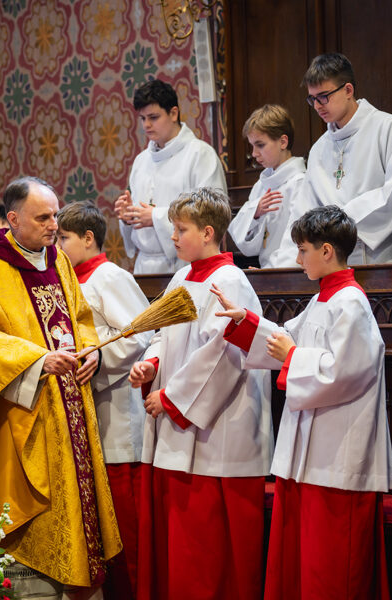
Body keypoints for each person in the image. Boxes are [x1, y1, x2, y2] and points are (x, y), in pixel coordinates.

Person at [0, 177, 122, 599]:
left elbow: (80, 317)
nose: (54, 225)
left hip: (68, 404)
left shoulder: (58, 260)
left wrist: (92, 350)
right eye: (43, 217)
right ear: (13, 219)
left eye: (55, 215)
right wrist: (37, 360)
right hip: (19, 406)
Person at [214, 205, 392, 599]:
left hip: (338, 456)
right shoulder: (323, 300)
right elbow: (284, 339)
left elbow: (345, 372)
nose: (297, 260)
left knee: (333, 568)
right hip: (311, 456)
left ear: (326, 251)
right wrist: (245, 322)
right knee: (305, 565)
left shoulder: (351, 302)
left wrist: (293, 356)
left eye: (302, 250)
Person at [128, 188, 273, 600]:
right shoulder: (181, 277)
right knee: (184, 550)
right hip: (180, 422)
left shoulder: (229, 281)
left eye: (181, 229)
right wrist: (151, 364)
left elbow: (223, 352)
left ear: (208, 232)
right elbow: (163, 334)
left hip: (218, 432)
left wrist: (171, 398)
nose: (173, 237)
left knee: (210, 553)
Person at [56, 201, 152, 600]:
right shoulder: (66, 279)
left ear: (88, 238)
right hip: (87, 411)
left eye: (63, 238)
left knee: (126, 529)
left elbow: (141, 334)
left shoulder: (110, 276)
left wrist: (98, 356)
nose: (57, 246)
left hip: (117, 416)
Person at [274, 53, 392, 266]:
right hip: (333, 263)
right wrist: (282, 267)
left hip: (384, 259)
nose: (317, 106)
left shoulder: (385, 127)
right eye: (312, 99)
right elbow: (303, 212)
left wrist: (336, 223)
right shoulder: (319, 148)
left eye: (323, 96)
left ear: (348, 90)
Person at [114, 79, 227, 274]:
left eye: (153, 117)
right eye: (143, 118)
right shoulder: (141, 161)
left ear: (173, 113)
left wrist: (156, 217)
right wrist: (128, 218)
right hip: (144, 266)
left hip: (185, 265)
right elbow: (139, 221)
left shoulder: (200, 154)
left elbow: (213, 214)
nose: (146, 125)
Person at [228, 104, 306, 267]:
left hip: (287, 271)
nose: (254, 153)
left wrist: (272, 273)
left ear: (283, 142)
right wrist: (255, 214)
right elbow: (246, 244)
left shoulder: (300, 183)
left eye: (260, 145)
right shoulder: (261, 185)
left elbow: (297, 242)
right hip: (266, 270)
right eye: (252, 145)